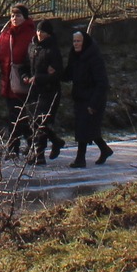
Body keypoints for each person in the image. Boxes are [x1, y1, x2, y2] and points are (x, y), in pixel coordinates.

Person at [0, 4, 37, 154]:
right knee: (16, 117)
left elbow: (36, 58)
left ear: (25, 18)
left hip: (24, 83)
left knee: (19, 117)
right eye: (12, 16)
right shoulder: (5, 35)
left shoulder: (31, 35)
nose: (15, 18)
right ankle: (26, 144)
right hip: (8, 84)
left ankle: (20, 147)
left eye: (18, 16)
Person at [24, 22, 68, 164]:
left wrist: (39, 78)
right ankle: (52, 143)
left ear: (48, 34)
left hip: (49, 90)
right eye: (38, 31)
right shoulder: (32, 47)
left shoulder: (52, 50)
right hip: (34, 90)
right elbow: (25, 65)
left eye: (42, 31)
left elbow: (58, 72)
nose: (39, 34)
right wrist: (25, 75)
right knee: (33, 122)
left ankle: (40, 153)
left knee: (41, 120)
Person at [68, 27, 111, 167]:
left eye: (78, 41)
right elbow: (68, 74)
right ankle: (105, 150)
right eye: (74, 41)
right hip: (80, 97)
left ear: (85, 42)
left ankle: (80, 159)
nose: (76, 44)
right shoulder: (74, 56)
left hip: (92, 98)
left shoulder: (94, 58)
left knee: (84, 128)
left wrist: (94, 104)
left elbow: (102, 83)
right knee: (89, 129)